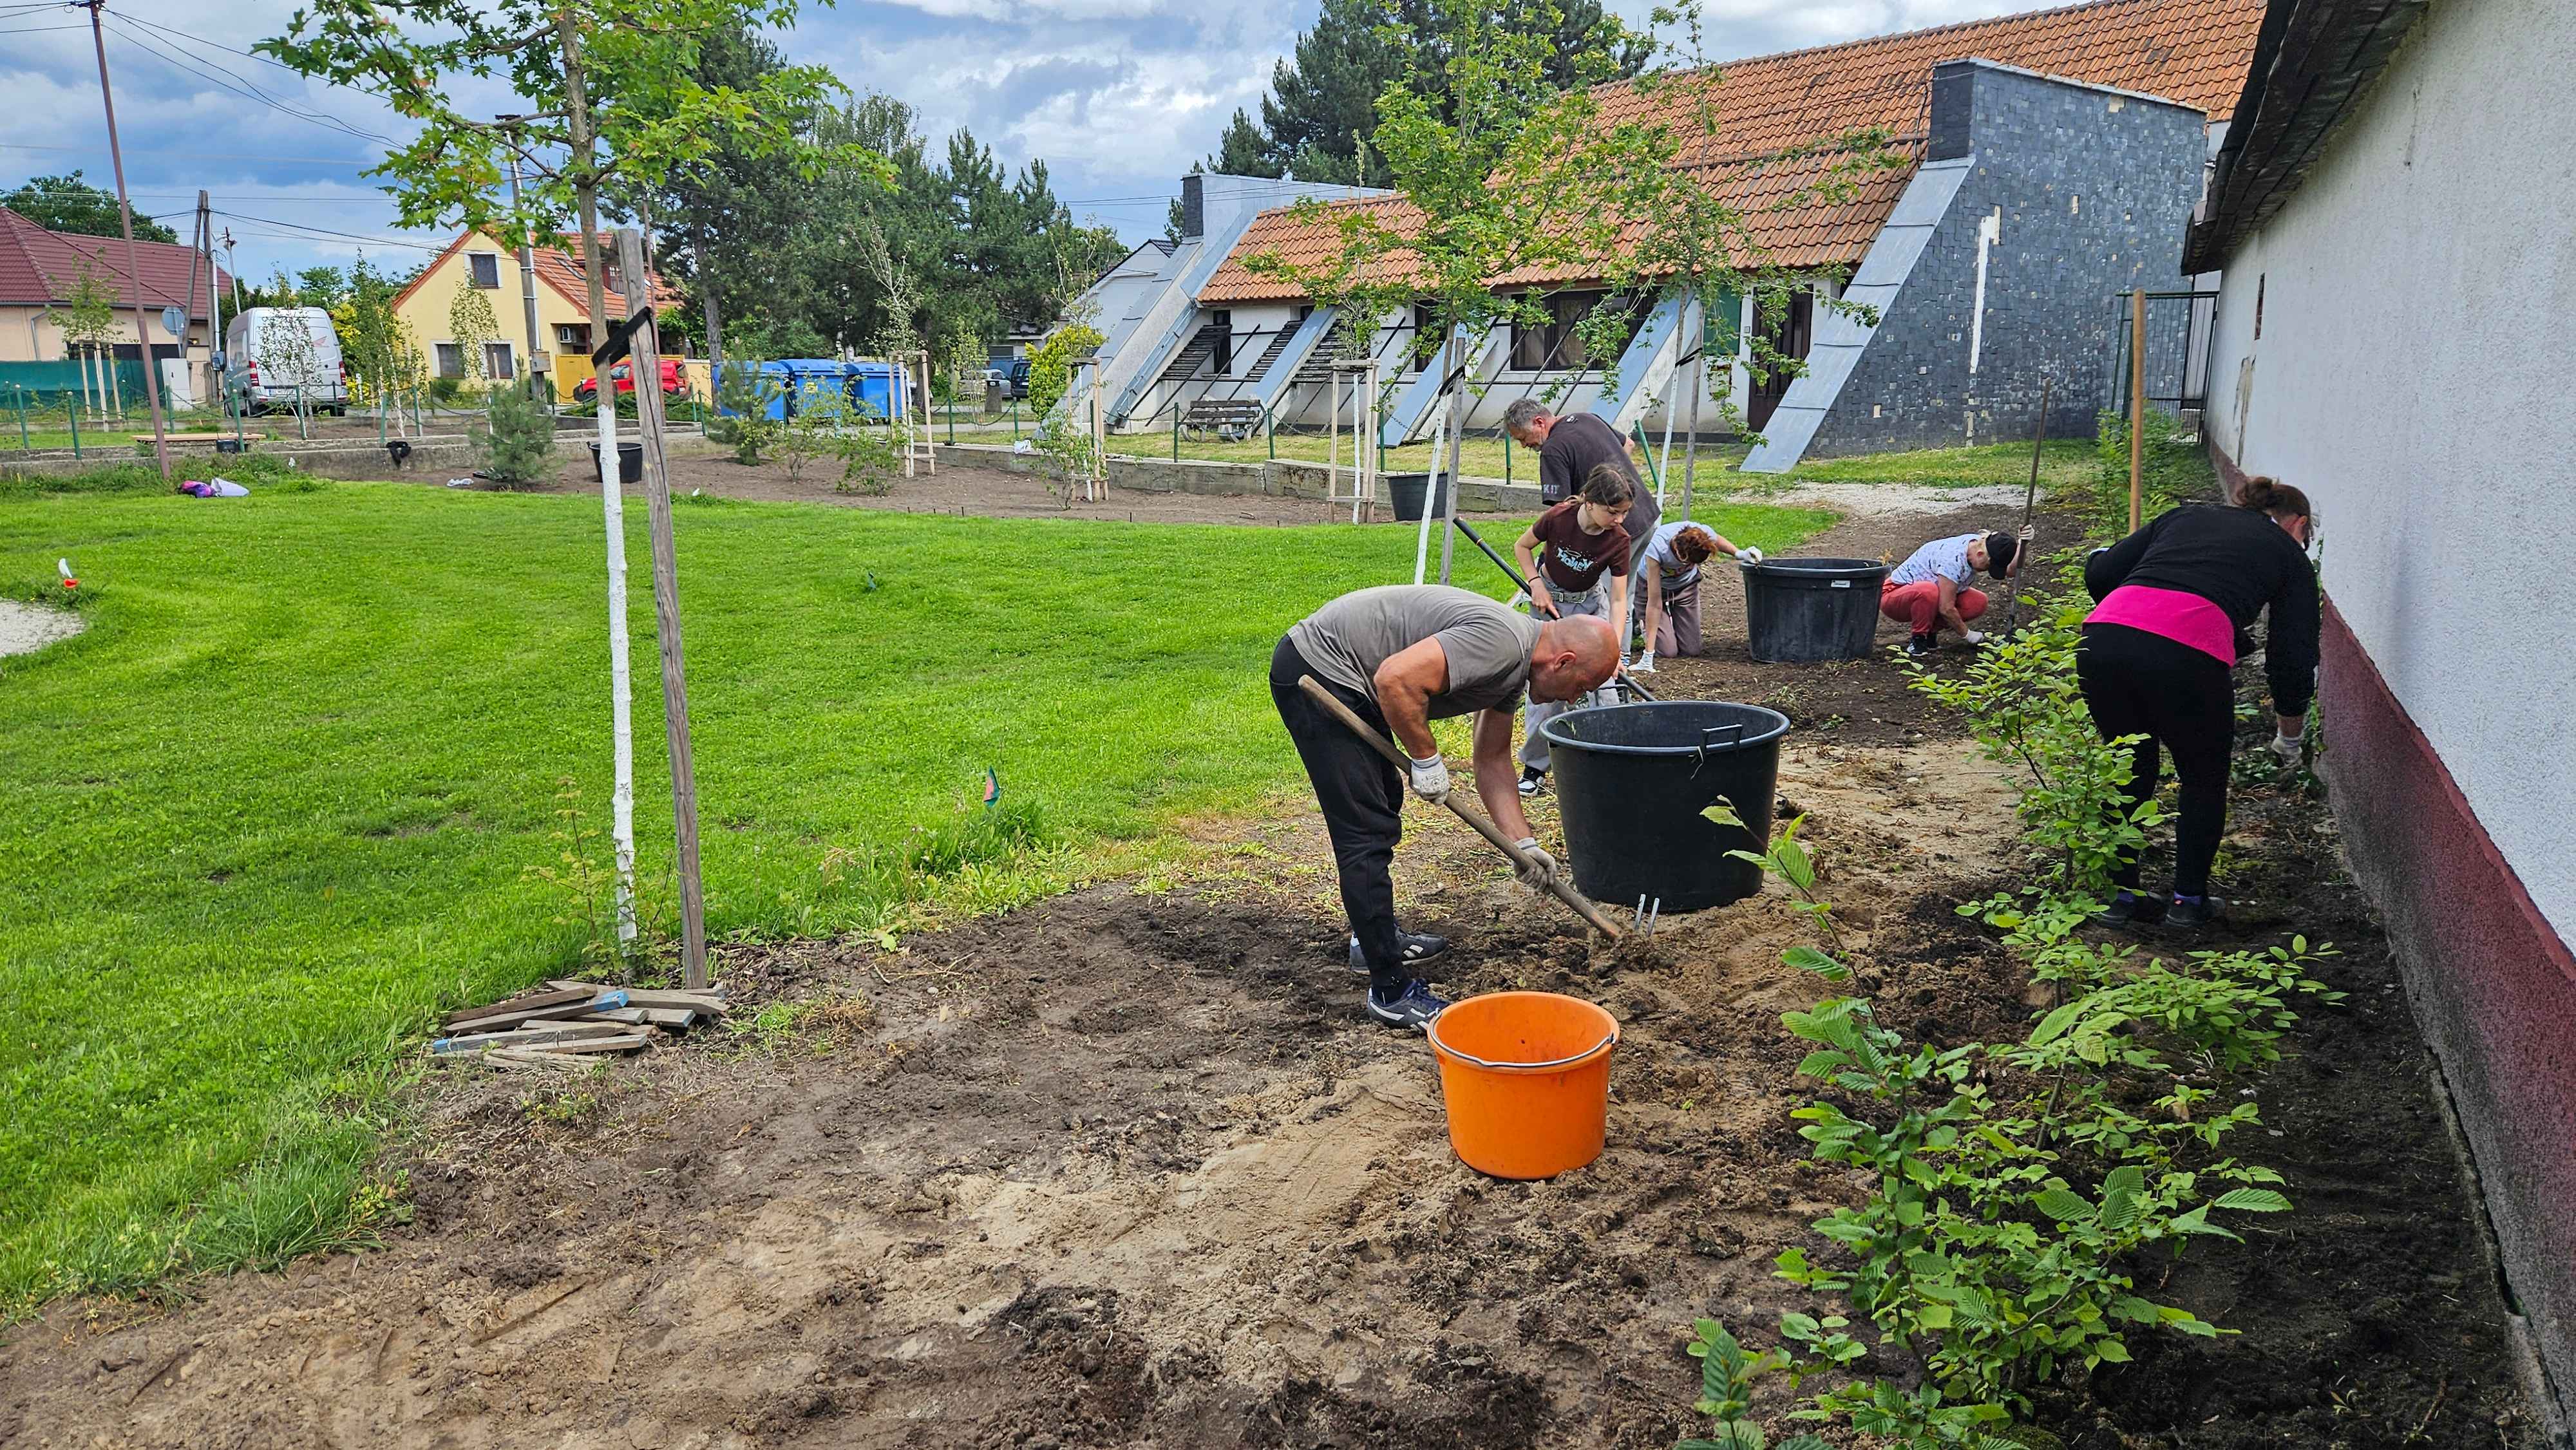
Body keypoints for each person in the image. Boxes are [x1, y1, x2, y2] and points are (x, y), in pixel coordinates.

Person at [1271, 586, 1622, 1027]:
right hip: (1320, 668)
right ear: (1564, 662)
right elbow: (1395, 679)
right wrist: (1427, 758)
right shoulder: (1503, 643)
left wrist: (1523, 843)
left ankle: (1375, 938)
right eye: (1580, 688)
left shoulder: (1515, 669)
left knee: (1383, 804)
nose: (1571, 699)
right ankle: (1390, 991)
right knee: (1365, 832)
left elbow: (1492, 759)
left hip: (1347, 675)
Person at [2078, 477, 2320, 930]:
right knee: (2202, 777)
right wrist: (2290, 734)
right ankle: (2187, 902)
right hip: (2186, 655)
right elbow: (2293, 655)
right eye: (2307, 537)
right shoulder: (2289, 555)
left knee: (2130, 768)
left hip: (2103, 642)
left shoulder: (2186, 515)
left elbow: (2101, 574)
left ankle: (2120, 895)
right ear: (2299, 526)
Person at [1510, 465, 1635, 795]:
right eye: (1614, 512)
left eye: (1624, 513)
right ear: (1590, 503)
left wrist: (1615, 651)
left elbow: (1620, 598)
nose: (1620, 520)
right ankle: (1534, 768)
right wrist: (1535, 584)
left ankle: (1614, 761)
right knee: (1547, 686)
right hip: (1549, 605)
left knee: (1604, 687)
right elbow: (1522, 547)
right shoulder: (1559, 518)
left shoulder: (1619, 539)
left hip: (1590, 607)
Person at [1882, 524, 2036, 656]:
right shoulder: (1953, 560)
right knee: (1928, 591)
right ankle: (1918, 640)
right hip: (1894, 595)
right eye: (1988, 566)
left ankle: (1930, 633)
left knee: (1977, 602)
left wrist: (2023, 544)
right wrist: (1967, 635)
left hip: (1928, 597)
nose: (1986, 570)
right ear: (1981, 555)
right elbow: (1946, 608)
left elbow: (2011, 571)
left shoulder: (1984, 544)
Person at [1633, 521, 1759, 670]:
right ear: (1678, 551)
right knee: (1668, 652)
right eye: (1686, 562)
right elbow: (1654, 602)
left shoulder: (1702, 535)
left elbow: (1716, 539)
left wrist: (1740, 554)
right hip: (1653, 589)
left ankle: (1663, 622)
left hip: (1685, 588)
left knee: (1691, 650)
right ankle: (1639, 619)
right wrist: (1648, 655)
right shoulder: (1658, 548)